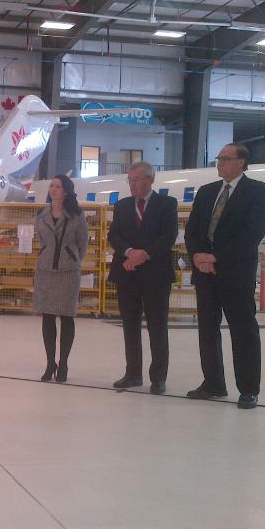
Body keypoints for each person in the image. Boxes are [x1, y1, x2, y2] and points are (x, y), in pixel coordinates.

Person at [185, 143, 265, 409]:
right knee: (207, 330)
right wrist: (198, 256)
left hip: (236, 274)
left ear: (241, 162)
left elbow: (252, 234)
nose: (219, 163)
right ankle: (213, 383)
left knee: (243, 331)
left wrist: (216, 257)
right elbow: (192, 230)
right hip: (205, 274)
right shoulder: (207, 192)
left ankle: (248, 389)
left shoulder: (257, 191)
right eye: (219, 159)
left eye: (225, 158)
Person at [107, 162, 178, 394]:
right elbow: (114, 235)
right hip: (127, 273)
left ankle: (158, 378)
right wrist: (129, 252)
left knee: (157, 327)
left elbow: (168, 235)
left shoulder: (167, 204)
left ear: (150, 179)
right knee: (130, 326)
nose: (133, 184)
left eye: (137, 179)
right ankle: (133, 374)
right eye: (130, 180)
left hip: (156, 275)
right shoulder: (122, 206)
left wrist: (143, 254)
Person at [32, 175, 88, 382]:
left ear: (66, 191)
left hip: (68, 271)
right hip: (46, 270)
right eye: (52, 186)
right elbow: (41, 239)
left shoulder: (77, 215)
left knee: (66, 317)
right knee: (47, 317)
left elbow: (82, 243)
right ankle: (50, 363)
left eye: (58, 186)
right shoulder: (41, 214)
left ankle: (63, 363)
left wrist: (71, 257)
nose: (53, 189)